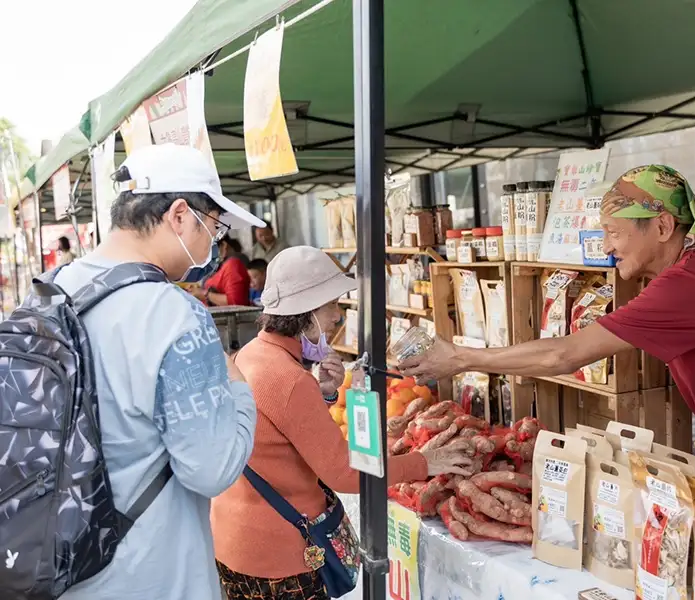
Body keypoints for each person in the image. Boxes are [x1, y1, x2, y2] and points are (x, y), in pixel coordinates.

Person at [401, 165, 695, 470]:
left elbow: (563, 356)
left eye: (615, 233)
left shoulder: (692, 284)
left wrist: (458, 358)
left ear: (662, 226)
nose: (606, 247)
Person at [54, 143, 266, 600]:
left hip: (63, 565)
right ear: (180, 214)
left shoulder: (54, 289)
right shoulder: (172, 311)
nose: (212, 241)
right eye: (213, 226)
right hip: (153, 573)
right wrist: (240, 389)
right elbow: (213, 469)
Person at [211, 246, 472, 600]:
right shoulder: (290, 379)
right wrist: (425, 462)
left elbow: (275, 433)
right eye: (332, 305)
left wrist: (325, 395)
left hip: (233, 540)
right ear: (306, 313)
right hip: (279, 555)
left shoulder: (251, 354)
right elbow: (345, 474)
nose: (337, 316)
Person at [190, 234, 251, 306]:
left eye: (208, 249)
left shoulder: (233, 264)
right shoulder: (221, 265)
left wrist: (204, 294)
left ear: (224, 245)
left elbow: (235, 302)